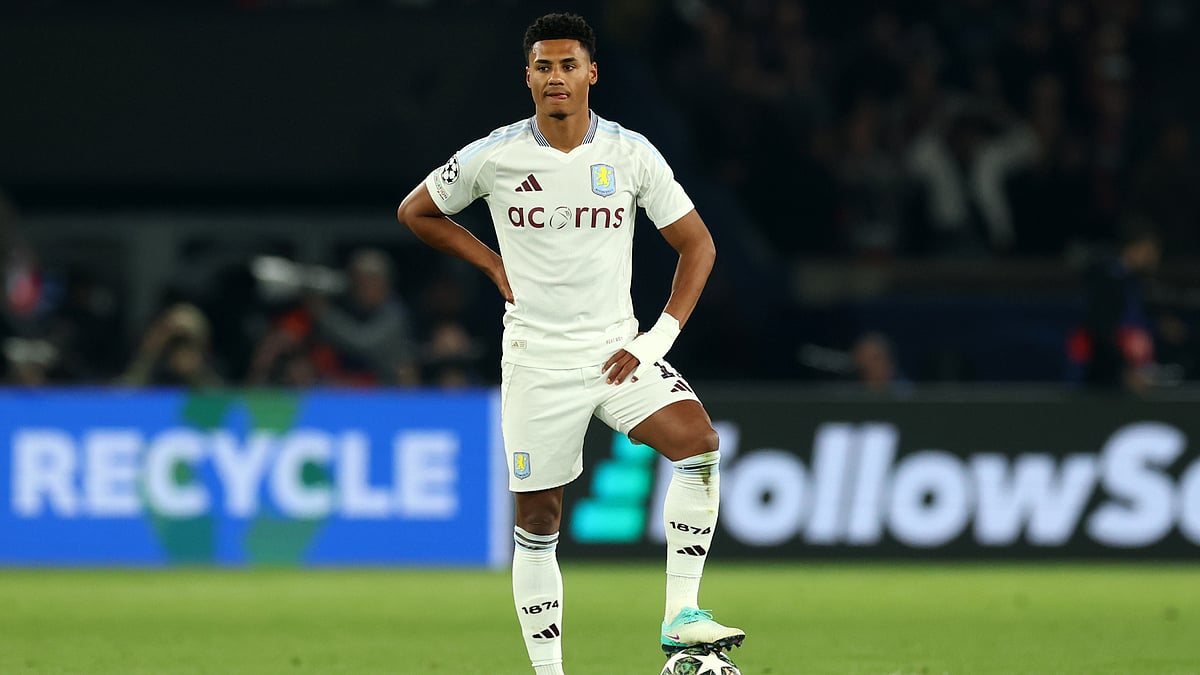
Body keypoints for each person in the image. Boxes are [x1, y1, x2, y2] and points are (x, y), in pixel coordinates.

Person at [395, 13, 743, 674]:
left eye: (568, 65)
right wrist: (489, 262)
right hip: (534, 361)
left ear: (592, 73)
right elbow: (417, 211)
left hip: (617, 352)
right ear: (528, 77)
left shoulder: (630, 153)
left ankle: (681, 615)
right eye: (544, 66)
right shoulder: (495, 155)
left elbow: (698, 243)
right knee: (539, 518)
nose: (557, 77)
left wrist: (658, 336)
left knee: (698, 445)